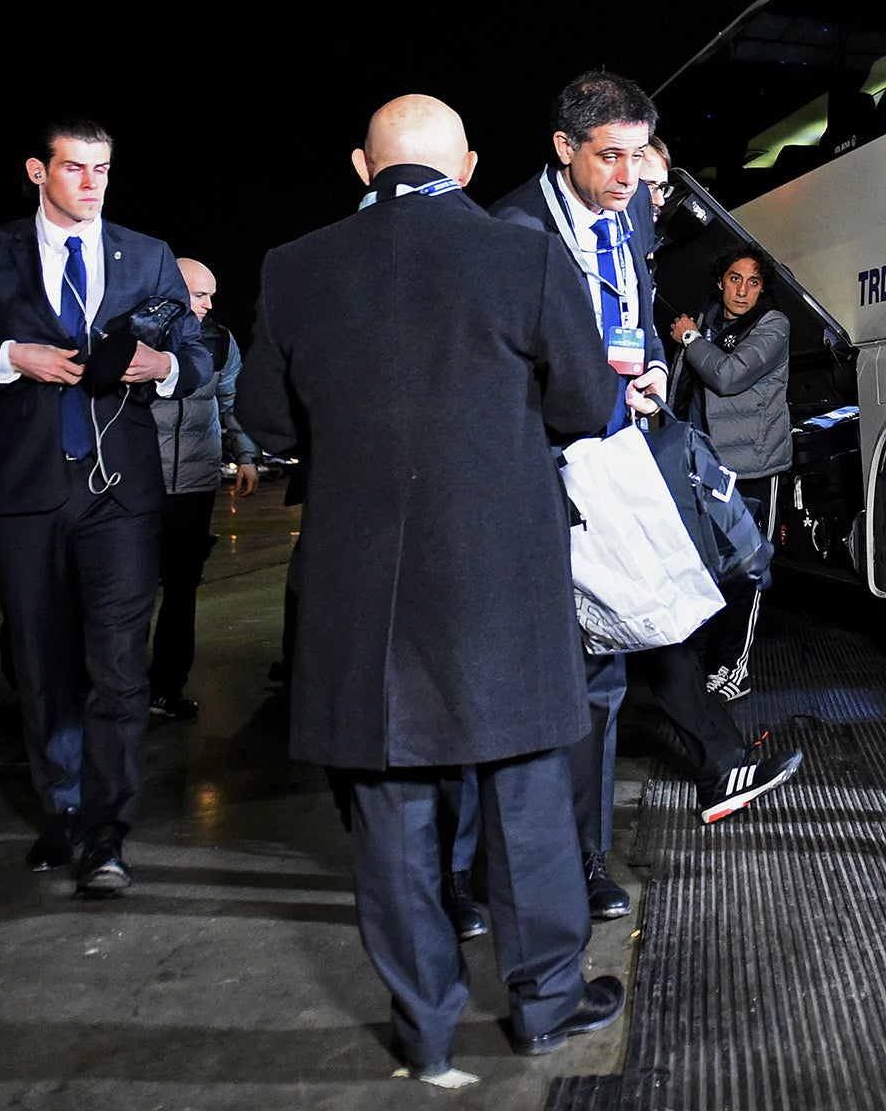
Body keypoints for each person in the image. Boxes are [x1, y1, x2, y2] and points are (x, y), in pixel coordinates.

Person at [237, 95, 625, 1082]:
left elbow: (270, 428)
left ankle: (422, 1028)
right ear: (467, 164)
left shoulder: (296, 267)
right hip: (504, 579)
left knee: (393, 815)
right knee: (530, 796)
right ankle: (544, 1006)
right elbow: (585, 405)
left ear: (364, 169)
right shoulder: (523, 256)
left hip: (362, 591)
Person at [491, 71, 800, 900]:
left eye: (639, 157)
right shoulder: (512, 229)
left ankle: (593, 853)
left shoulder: (627, 214)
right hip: (552, 472)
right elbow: (505, 363)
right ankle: (567, 863)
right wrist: (596, 389)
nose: (631, 180)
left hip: (628, 452)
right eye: (611, 157)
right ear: (564, 149)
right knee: (575, 673)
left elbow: (637, 308)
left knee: (635, 642)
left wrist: (656, 368)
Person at [0, 116, 210, 897]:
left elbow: (199, 351)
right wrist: (12, 357)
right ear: (38, 171)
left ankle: (110, 829)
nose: (92, 184)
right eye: (76, 169)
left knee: (117, 667)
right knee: (42, 663)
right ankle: (64, 808)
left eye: (104, 170)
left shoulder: (145, 255)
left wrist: (166, 365)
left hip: (120, 492)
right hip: (25, 491)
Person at [669, 245, 792, 700]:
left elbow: (727, 376)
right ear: (721, 281)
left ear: (763, 290)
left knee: (747, 570)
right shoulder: (706, 321)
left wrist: (688, 339)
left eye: (754, 282)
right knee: (703, 569)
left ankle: (734, 668)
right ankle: (699, 663)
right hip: (702, 465)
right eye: (735, 279)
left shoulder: (772, 326)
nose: (743, 290)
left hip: (751, 466)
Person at [146, 258, 261, 721]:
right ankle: (117, 692)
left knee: (181, 590)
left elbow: (232, 399)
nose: (209, 303)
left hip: (194, 486)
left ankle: (166, 690)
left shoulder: (220, 341)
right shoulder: (134, 336)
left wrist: (246, 456)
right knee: (128, 594)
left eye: (210, 293)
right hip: (139, 486)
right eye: (199, 294)